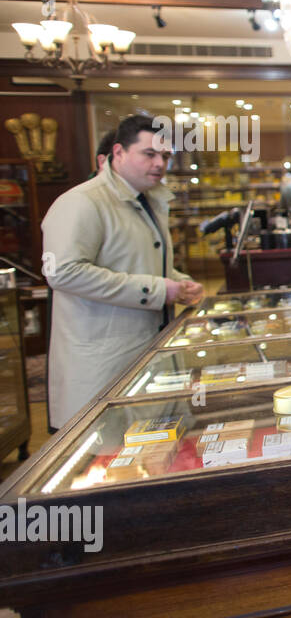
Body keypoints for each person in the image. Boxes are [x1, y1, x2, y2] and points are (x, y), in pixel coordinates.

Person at [43, 114, 204, 430]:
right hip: (102, 364)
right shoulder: (81, 202)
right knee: (105, 455)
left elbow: (137, 262)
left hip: (144, 355)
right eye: (149, 154)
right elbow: (62, 272)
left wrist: (178, 282)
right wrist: (159, 290)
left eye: (166, 156)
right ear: (118, 153)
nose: (159, 163)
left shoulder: (149, 200)